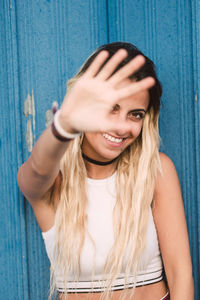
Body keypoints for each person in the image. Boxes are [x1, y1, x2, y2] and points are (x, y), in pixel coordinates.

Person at [17, 42, 194, 300]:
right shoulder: (55, 179)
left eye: (135, 114)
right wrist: (64, 125)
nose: (122, 127)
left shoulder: (156, 171)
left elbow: (180, 273)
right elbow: (35, 172)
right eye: (111, 108)